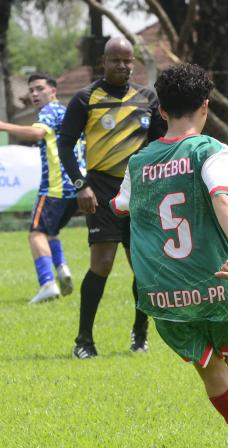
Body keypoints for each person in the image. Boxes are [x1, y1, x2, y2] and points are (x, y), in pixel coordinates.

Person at [110, 63, 228, 448]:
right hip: (216, 280)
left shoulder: (139, 162)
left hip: (162, 291)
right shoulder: (210, 150)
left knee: (210, 368)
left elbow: (119, 205)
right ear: (206, 106)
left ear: (162, 111)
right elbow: (221, 195)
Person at [57, 37, 166, 359]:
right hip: (101, 189)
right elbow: (65, 145)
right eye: (116, 60)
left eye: (127, 60)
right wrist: (81, 185)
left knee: (142, 267)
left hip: (140, 189)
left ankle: (140, 332)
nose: (122, 65)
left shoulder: (148, 98)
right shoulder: (85, 99)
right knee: (102, 264)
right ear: (103, 62)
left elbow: (160, 143)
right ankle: (84, 341)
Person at [0, 72, 84, 304]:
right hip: (76, 186)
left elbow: (37, 132)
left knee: (36, 233)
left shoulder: (49, 111)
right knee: (50, 232)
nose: (34, 94)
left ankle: (47, 283)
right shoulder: (66, 111)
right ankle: (62, 269)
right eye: (31, 90)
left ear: (53, 91)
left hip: (55, 187)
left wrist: (2, 126)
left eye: (40, 88)